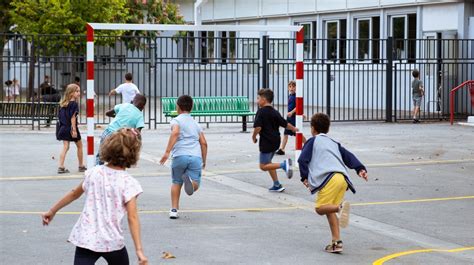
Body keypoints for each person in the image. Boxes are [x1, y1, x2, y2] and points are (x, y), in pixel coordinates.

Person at [42, 128, 148, 265]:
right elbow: (132, 217)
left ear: (108, 147)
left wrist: (52, 211)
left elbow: (74, 193)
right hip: (112, 241)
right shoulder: (129, 183)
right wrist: (139, 250)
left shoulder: (94, 173)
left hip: (87, 239)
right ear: (134, 155)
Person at [297, 113, 368, 254]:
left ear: (312, 128)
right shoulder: (334, 143)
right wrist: (360, 169)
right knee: (330, 211)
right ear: (328, 129)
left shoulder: (313, 141)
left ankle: (340, 207)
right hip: (342, 178)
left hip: (329, 179)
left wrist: (304, 177)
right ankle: (337, 242)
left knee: (320, 208)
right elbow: (348, 156)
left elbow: (301, 160)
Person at [159, 95, 208, 219]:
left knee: (176, 182)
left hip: (180, 155)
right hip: (195, 156)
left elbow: (175, 132)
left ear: (178, 107)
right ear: (191, 108)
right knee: (195, 183)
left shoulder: (176, 120)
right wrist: (204, 159)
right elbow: (204, 142)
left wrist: (167, 152)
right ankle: (191, 182)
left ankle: (174, 210)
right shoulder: (196, 124)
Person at [252, 88, 297, 192]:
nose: (257, 101)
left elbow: (258, 127)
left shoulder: (261, 112)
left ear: (264, 99)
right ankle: (277, 184)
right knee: (269, 163)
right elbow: (285, 124)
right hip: (276, 141)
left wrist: (253, 137)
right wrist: (294, 129)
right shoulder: (274, 112)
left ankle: (284, 165)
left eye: (258, 98)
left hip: (267, 142)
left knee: (263, 166)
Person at [96, 94, 147, 165]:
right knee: (117, 157)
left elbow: (107, 113)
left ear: (132, 101)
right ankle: (114, 171)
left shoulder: (124, 105)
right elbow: (137, 133)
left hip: (108, 132)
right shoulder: (140, 116)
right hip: (121, 138)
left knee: (101, 155)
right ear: (143, 107)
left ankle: (97, 170)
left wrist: (118, 116)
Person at [56, 84, 86, 174]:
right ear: (71, 93)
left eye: (79, 91)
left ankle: (61, 166)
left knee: (65, 147)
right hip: (71, 128)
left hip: (63, 128)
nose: (79, 93)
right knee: (80, 146)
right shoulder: (74, 104)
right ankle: (81, 165)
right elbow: (73, 117)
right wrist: (74, 129)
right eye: (77, 91)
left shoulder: (63, 104)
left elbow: (61, 117)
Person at [276, 80, 306, 155]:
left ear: (296, 87)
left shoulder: (296, 96)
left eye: (293, 86)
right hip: (290, 118)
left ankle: (307, 144)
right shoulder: (290, 96)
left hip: (294, 118)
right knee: (285, 133)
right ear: (288, 88)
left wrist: (292, 112)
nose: (291, 88)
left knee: (298, 134)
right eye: (290, 86)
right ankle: (282, 149)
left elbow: (298, 106)